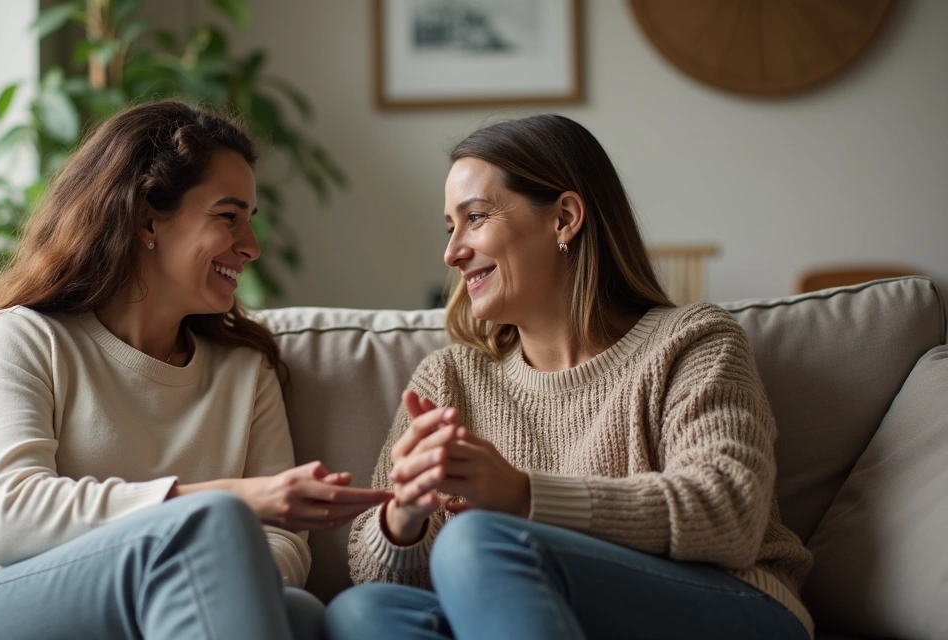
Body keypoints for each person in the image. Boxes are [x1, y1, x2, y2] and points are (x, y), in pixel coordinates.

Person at [0, 100, 389, 640]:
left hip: (139, 613)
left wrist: (212, 568)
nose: (251, 247)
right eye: (228, 217)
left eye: (250, 222)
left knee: (302, 615)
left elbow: (284, 545)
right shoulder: (24, 336)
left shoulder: (245, 373)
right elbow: (12, 520)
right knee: (214, 531)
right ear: (147, 218)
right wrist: (228, 504)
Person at [325, 114, 814, 640]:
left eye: (476, 217)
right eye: (450, 227)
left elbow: (728, 514)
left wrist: (521, 496)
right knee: (363, 612)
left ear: (564, 218)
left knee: (477, 542)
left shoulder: (692, 342)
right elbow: (371, 573)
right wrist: (405, 519)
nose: (452, 252)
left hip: (729, 607)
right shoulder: (448, 379)